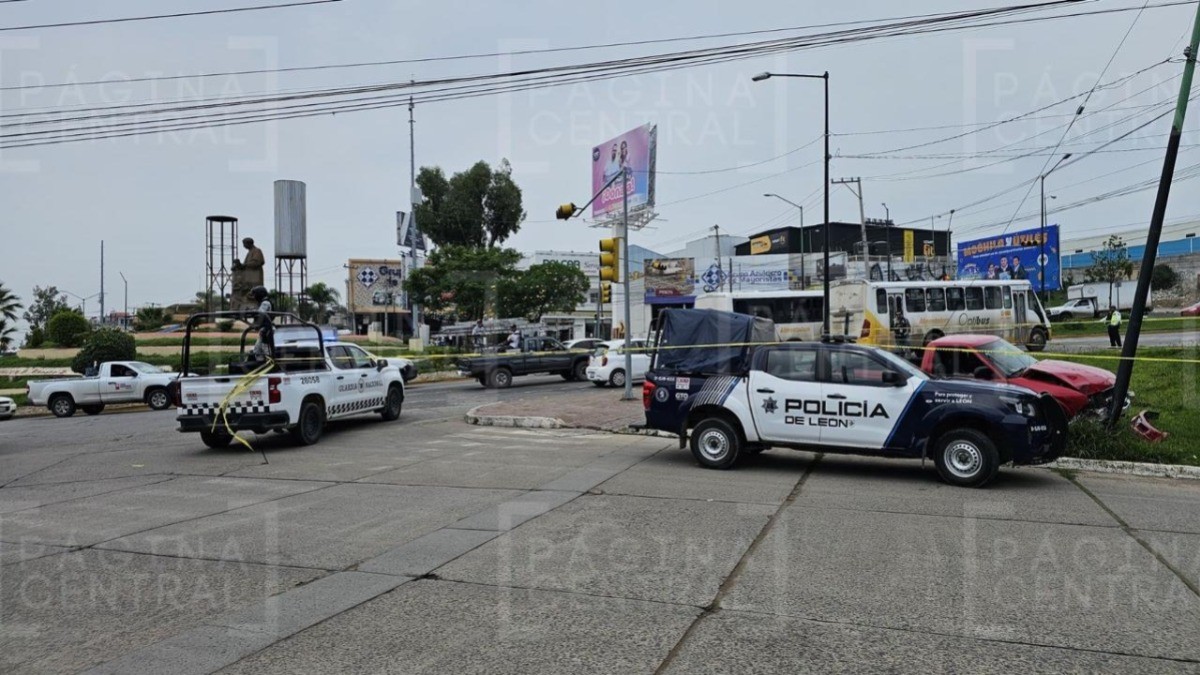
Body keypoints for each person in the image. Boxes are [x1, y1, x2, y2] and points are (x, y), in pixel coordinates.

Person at [249, 286, 273, 359]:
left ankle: (270, 366)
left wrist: (253, 312)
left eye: (255, 294)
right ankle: (261, 365)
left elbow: (261, 313)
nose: (254, 297)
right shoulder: (263, 302)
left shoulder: (265, 303)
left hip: (266, 330)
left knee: (266, 352)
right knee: (257, 351)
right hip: (263, 330)